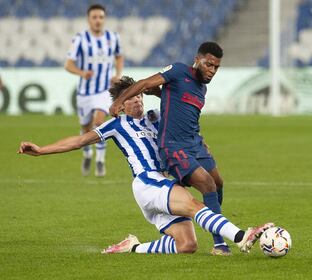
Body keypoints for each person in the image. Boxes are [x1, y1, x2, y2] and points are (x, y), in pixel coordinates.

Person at [18, 77, 274, 255]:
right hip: (148, 182)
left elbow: (183, 121)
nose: (138, 100)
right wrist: (41, 150)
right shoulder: (116, 125)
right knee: (195, 205)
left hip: (163, 183)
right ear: (121, 104)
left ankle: (132, 247)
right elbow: (78, 141)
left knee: (187, 245)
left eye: (139, 95)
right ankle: (242, 236)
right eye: (131, 98)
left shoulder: (157, 117)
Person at [109, 42, 231, 255]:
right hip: (175, 146)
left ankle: (215, 227)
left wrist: (200, 141)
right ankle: (219, 243)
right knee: (208, 184)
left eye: (216, 68)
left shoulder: (202, 87)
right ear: (198, 59)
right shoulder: (178, 70)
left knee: (218, 183)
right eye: (209, 65)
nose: (212, 71)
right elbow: (146, 83)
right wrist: (120, 100)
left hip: (195, 142)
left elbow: (177, 102)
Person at [65, 3, 124, 177]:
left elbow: (119, 56)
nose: (98, 20)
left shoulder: (113, 38)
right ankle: (87, 154)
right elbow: (68, 64)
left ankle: (100, 160)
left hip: (104, 91)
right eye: (94, 17)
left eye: (101, 17)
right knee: (85, 127)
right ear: (89, 19)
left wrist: (118, 74)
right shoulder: (80, 39)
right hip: (85, 92)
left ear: (104, 19)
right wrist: (82, 73)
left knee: (99, 122)